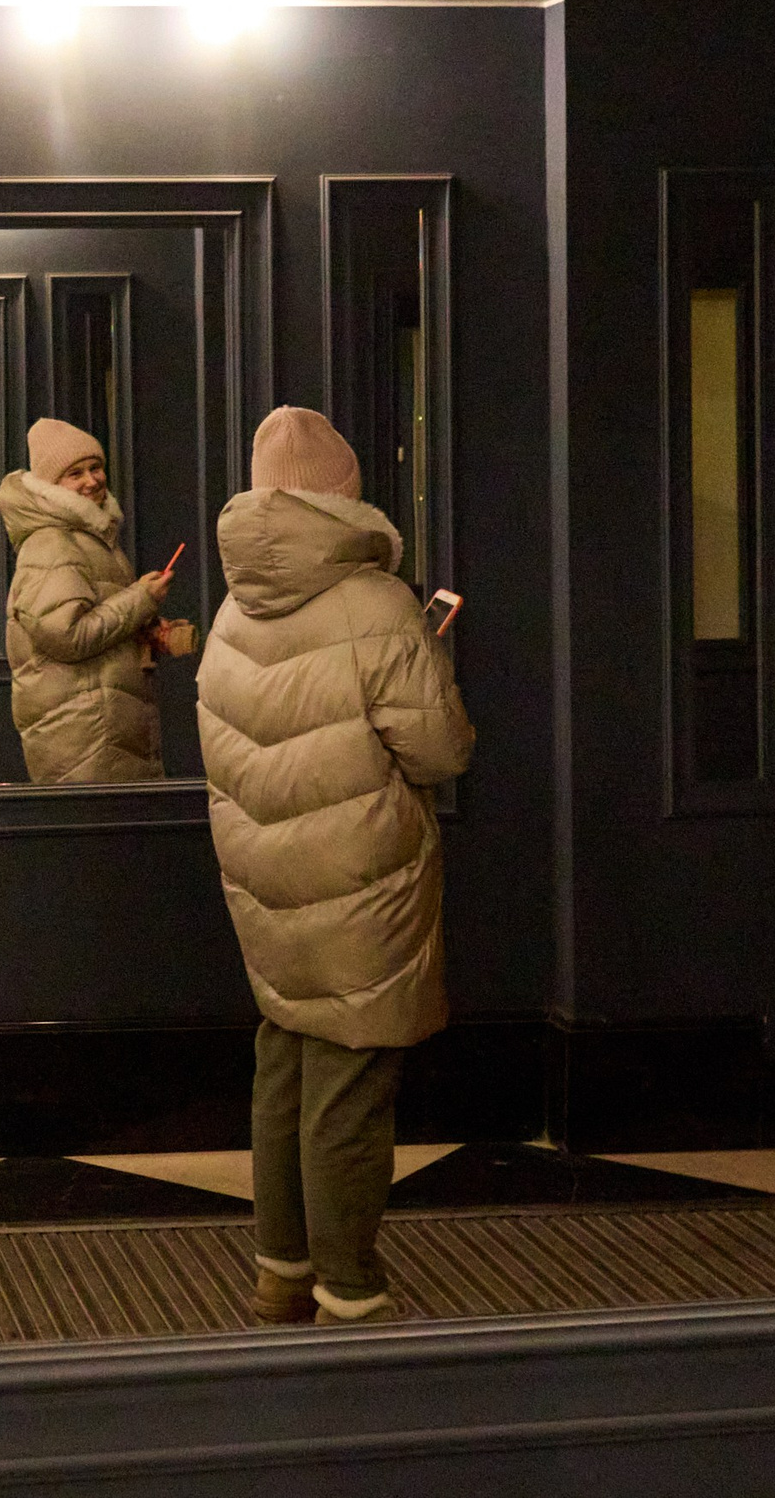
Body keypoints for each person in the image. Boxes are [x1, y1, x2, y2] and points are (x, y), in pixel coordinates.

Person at [196, 405, 474, 1328]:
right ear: (343, 498)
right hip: (362, 884)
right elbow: (440, 752)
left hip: (264, 879)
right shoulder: (381, 607)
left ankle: (281, 1271)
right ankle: (350, 1290)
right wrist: (430, 657)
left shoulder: (235, 607)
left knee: (284, 1059)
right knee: (352, 1085)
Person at [0, 418, 187, 782]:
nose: (91, 480)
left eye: (95, 467)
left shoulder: (90, 535)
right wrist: (140, 600)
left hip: (100, 727)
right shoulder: (53, 542)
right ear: (52, 487)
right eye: (75, 473)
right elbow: (65, 635)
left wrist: (146, 629)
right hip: (85, 734)